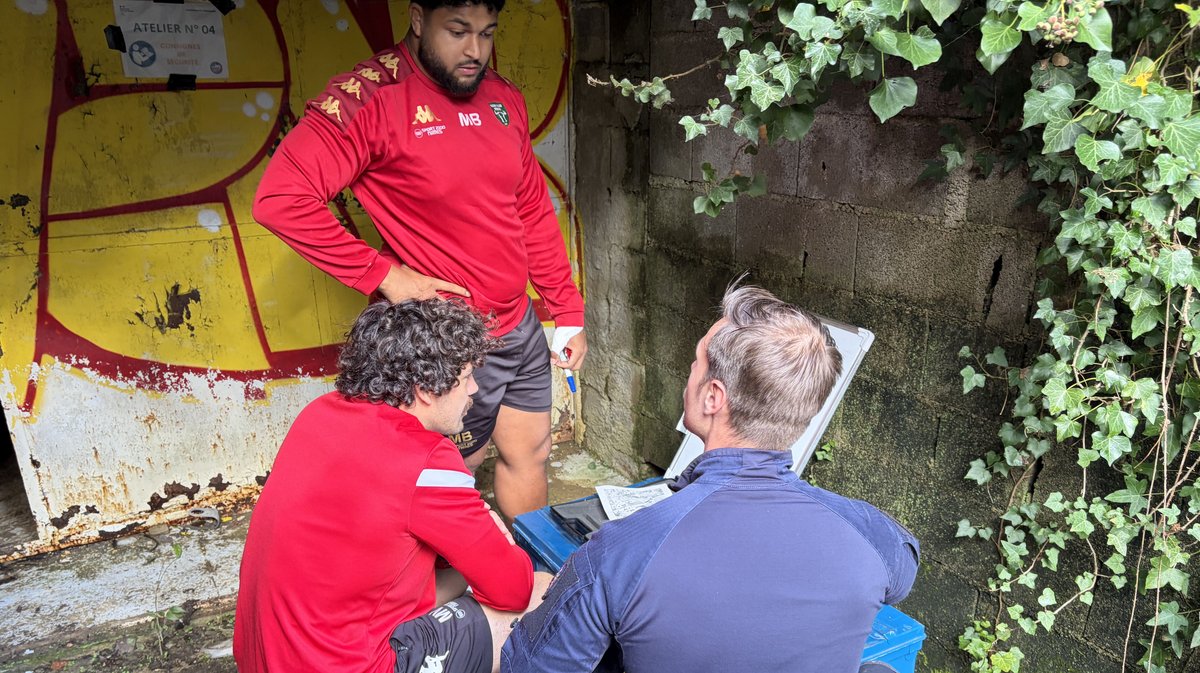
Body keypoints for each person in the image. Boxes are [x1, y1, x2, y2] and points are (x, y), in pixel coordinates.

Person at [251, 0, 586, 520]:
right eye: (457, 31)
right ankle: (448, 600)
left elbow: (531, 208)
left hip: (517, 324)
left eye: (487, 33)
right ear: (416, 18)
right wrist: (386, 275)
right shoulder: (370, 99)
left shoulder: (502, 97)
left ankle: (535, 584)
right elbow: (280, 198)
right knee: (451, 480)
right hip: (449, 343)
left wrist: (566, 310)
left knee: (532, 454)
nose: (475, 50)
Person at [501, 286, 921, 673]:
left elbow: (531, 666)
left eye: (695, 362)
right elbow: (900, 574)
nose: (689, 369)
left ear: (712, 396)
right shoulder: (876, 538)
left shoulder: (620, 551)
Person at [234, 299, 552, 673]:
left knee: (453, 577)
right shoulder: (427, 461)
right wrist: (498, 541)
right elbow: (512, 588)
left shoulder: (318, 413)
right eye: (466, 377)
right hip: (346, 663)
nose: (475, 390)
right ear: (425, 390)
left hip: (266, 655)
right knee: (541, 592)